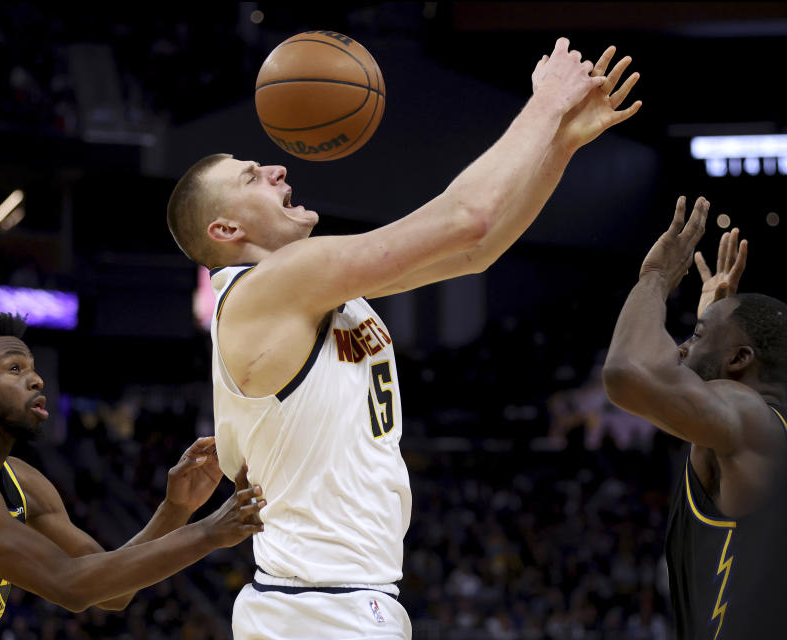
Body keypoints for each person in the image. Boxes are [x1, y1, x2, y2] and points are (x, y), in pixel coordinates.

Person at [167, 37, 641, 639]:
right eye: (253, 176)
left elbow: (477, 249)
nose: (278, 168)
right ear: (226, 227)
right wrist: (546, 105)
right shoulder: (269, 287)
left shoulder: (304, 291)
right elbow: (465, 216)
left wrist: (564, 142)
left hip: (335, 603)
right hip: (316, 609)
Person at [0, 306, 266, 639]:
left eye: (34, 369)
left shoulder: (24, 482)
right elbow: (70, 586)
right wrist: (211, 532)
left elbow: (109, 591)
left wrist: (175, 510)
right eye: (15, 369)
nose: (36, 380)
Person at [603, 196, 787, 639]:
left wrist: (656, 277)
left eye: (697, 335)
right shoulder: (755, 433)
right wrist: (712, 327)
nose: (681, 346)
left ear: (740, 359)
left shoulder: (750, 418)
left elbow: (628, 371)